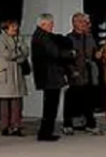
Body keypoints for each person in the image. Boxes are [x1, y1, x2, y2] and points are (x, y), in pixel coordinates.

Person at [31, 13, 74, 142]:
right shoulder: (43, 37)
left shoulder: (41, 35)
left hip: (48, 75)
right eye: (50, 24)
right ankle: (45, 133)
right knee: (50, 106)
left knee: (50, 105)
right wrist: (70, 53)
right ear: (43, 24)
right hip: (50, 76)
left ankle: (46, 132)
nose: (52, 26)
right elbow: (55, 53)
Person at [64, 13, 101, 135]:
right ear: (76, 23)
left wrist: (97, 55)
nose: (87, 24)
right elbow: (66, 57)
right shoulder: (69, 38)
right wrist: (71, 70)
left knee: (89, 99)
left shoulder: (90, 37)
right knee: (72, 98)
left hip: (89, 73)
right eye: (84, 21)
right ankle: (68, 124)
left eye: (87, 22)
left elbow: (95, 52)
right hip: (75, 73)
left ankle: (90, 123)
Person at [0, 19, 30, 137]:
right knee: (5, 101)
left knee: (17, 101)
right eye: (13, 27)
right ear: (6, 28)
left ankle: (16, 126)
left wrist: (19, 55)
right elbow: (6, 55)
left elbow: (25, 52)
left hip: (17, 72)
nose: (15, 29)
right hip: (6, 73)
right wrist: (18, 53)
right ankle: (5, 126)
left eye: (16, 26)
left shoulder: (19, 38)